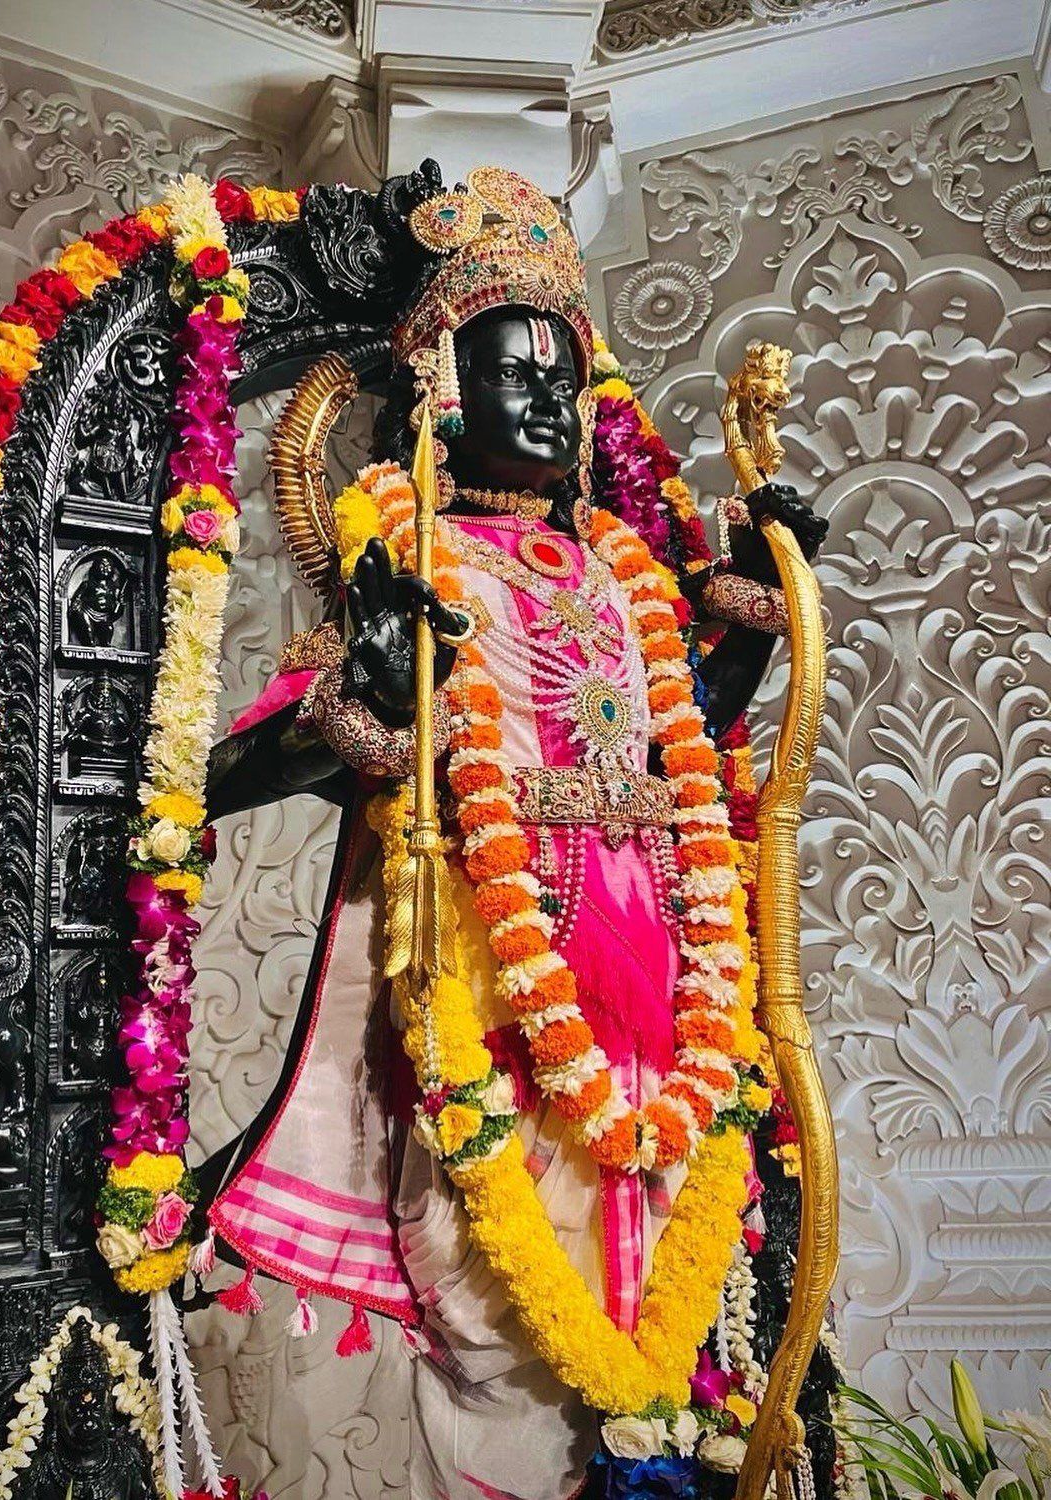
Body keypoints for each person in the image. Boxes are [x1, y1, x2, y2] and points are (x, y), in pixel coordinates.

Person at [199, 168, 826, 1500]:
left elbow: (684, 743)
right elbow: (231, 775)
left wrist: (767, 627)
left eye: (565, 376)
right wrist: (364, 692)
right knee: (504, 1338)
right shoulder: (412, 568)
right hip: (492, 983)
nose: (548, 399)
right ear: (440, 393)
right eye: (513, 373)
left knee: (672, 1321)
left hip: (659, 995)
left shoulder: (627, 573)